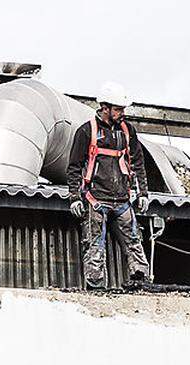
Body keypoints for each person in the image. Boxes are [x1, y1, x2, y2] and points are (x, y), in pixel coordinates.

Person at [66, 82, 151, 290]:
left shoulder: (127, 131)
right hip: (95, 199)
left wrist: (143, 194)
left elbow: (137, 163)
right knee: (94, 244)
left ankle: (140, 283)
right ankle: (96, 287)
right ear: (105, 108)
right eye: (118, 109)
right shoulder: (87, 131)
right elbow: (74, 167)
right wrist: (75, 197)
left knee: (134, 241)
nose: (122, 113)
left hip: (123, 200)